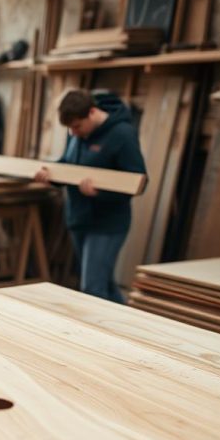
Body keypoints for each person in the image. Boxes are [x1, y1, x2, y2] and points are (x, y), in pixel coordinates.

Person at [35, 89, 146, 303]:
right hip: (79, 219)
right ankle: (125, 327)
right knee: (103, 284)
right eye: (69, 129)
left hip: (107, 223)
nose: (73, 133)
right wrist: (52, 174)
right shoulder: (76, 133)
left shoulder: (122, 134)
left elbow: (137, 183)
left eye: (77, 126)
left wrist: (100, 193)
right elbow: (69, 165)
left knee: (92, 289)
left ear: (92, 112)